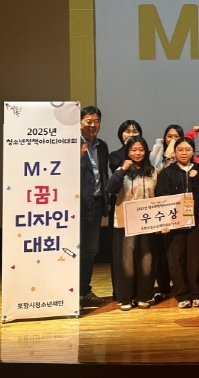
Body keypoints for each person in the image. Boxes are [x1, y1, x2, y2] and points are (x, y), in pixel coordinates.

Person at [155, 137, 199, 308]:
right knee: (176, 258)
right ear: (174, 152)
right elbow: (162, 197)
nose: (184, 153)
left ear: (193, 152)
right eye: (180, 150)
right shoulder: (167, 172)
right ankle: (182, 295)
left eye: (187, 149)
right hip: (175, 221)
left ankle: (197, 293)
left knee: (196, 258)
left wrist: (196, 179)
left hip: (197, 220)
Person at [104, 136, 157, 311]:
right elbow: (110, 188)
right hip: (125, 222)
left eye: (141, 149)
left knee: (147, 261)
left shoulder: (153, 171)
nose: (137, 153)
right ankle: (126, 298)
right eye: (133, 150)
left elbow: (158, 197)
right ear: (127, 152)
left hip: (148, 223)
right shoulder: (122, 171)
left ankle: (144, 296)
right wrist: (122, 169)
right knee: (127, 262)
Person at [79, 106, 110, 308]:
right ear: (80, 122)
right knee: (72, 248)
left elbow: (103, 174)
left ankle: (84, 291)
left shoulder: (102, 146)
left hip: (96, 204)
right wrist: (77, 158)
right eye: (88, 121)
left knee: (90, 250)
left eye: (96, 121)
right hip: (77, 204)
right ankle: (69, 292)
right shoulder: (70, 144)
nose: (93, 125)